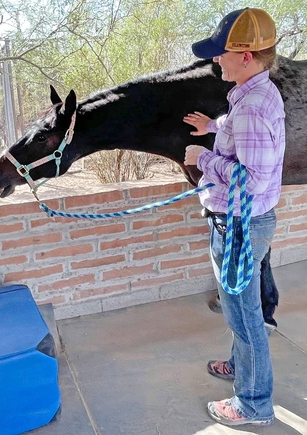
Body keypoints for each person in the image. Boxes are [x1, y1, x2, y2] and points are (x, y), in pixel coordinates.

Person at [183, 8, 285, 427]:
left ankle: (253, 404)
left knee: (244, 319)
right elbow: (241, 129)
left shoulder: (252, 107)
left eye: (221, 54)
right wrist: (215, 126)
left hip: (241, 225)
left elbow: (256, 178)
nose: (215, 61)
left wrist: (204, 157)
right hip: (245, 221)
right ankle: (240, 366)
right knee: (243, 311)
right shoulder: (252, 93)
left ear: (245, 56)